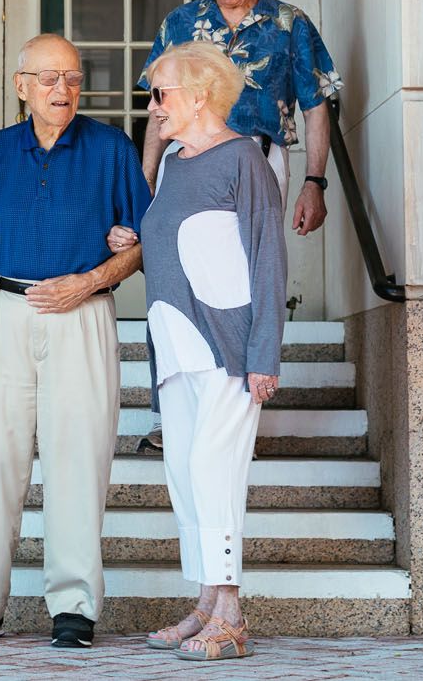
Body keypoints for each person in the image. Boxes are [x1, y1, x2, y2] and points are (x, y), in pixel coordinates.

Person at [0, 34, 152, 649]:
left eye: (73, 79)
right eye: (49, 79)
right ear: (20, 85)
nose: (63, 90)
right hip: (0, 311)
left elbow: (144, 241)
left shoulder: (112, 149)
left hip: (82, 313)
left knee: (79, 458)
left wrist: (91, 279)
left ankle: (75, 606)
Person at [132, 0, 336, 452]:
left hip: (257, 161)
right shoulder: (180, 22)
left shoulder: (291, 25)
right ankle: (169, 413)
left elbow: (316, 110)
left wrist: (314, 182)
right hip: (187, 162)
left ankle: (242, 397)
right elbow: (156, 112)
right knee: (174, 284)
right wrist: (143, 184)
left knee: (247, 283)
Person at [125, 40, 286, 660]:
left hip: (226, 347)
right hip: (174, 342)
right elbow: (170, 243)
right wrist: (131, 233)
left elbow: (268, 257)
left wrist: (264, 354)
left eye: (160, 94)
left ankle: (233, 614)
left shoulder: (243, 159)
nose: (153, 106)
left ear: (199, 96)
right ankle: (205, 605)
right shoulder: (172, 164)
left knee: (214, 474)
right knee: (185, 476)